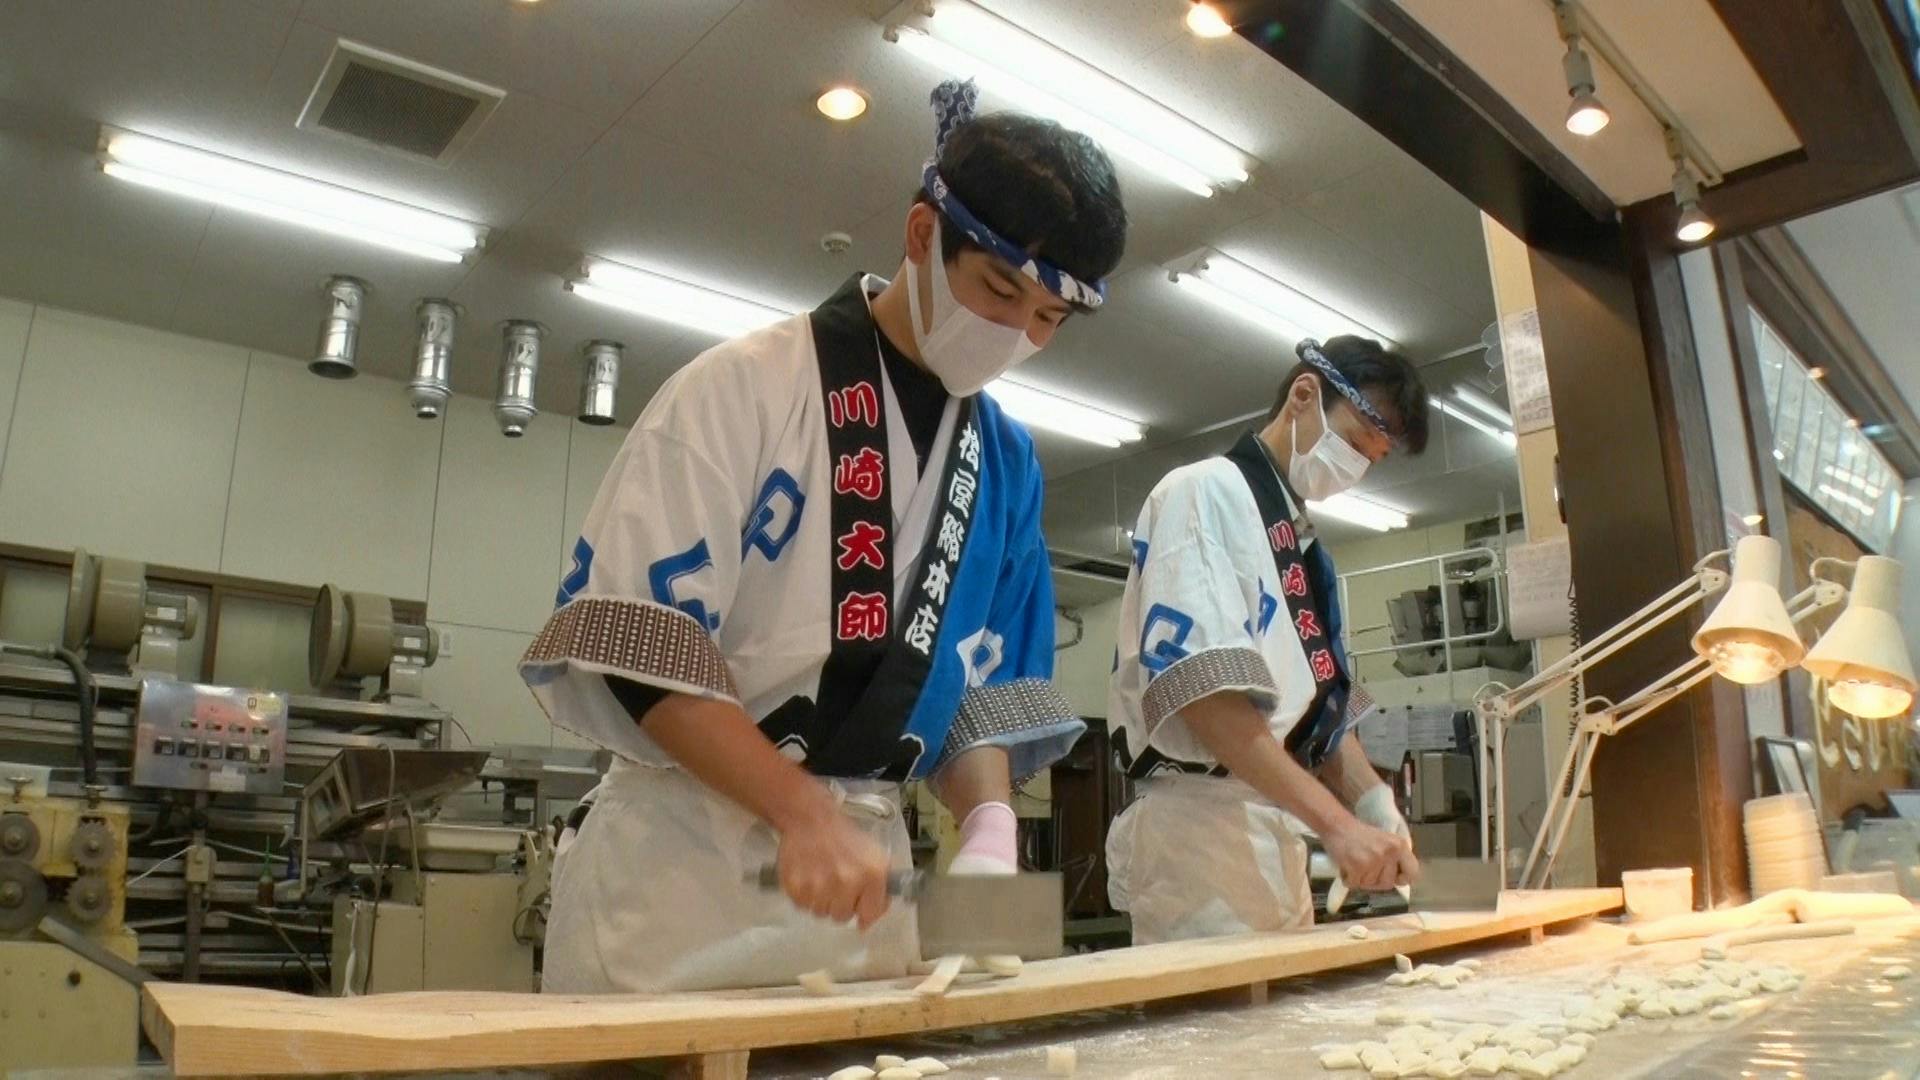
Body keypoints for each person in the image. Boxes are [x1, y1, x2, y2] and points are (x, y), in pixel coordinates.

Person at [520, 80, 1128, 993]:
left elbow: (980, 694)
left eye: (1049, 319)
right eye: (1000, 291)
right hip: (682, 878)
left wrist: (990, 826)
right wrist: (799, 811)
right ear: (922, 235)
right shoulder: (743, 387)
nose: (1017, 335)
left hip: (866, 892)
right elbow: (644, 649)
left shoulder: (1007, 464)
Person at [1104, 336, 1430, 945]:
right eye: (1356, 442)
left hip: (1277, 827)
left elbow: (1320, 712)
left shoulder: (1306, 550)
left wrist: (1371, 801)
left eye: (1372, 459)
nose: (1356, 468)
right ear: (1304, 394)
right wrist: (1336, 825)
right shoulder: (1202, 492)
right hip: (1197, 832)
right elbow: (1207, 700)